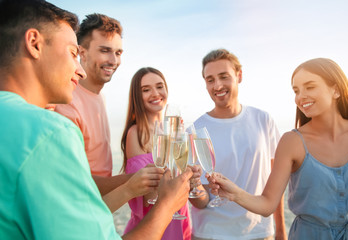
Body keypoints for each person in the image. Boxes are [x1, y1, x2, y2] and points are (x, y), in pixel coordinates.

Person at [0, 0, 192, 239]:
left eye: (118, 52)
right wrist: (166, 204)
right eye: (72, 53)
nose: (78, 71)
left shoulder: (96, 101)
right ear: (34, 43)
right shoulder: (51, 129)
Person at [207, 58, 348, 239]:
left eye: (310, 87)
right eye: (296, 90)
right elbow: (267, 204)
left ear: (335, 90)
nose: (300, 97)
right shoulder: (291, 141)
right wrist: (234, 193)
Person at [54, 13, 162, 197]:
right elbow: (71, 181)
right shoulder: (67, 104)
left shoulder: (100, 96)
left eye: (118, 52)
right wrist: (141, 178)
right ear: (82, 52)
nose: (113, 60)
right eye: (104, 50)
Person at [189, 49, 287, 240]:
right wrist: (193, 187)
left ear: (239, 76)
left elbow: (276, 184)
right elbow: (201, 201)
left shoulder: (263, 120)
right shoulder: (194, 131)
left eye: (224, 77)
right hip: (209, 234)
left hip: (259, 232)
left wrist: (281, 230)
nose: (217, 85)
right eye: (210, 80)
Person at [120, 67, 199, 239]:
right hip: (154, 224)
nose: (155, 93)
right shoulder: (136, 133)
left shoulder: (174, 131)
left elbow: (182, 183)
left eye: (159, 86)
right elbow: (147, 194)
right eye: (146, 90)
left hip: (179, 219)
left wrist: (190, 176)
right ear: (137, 97)